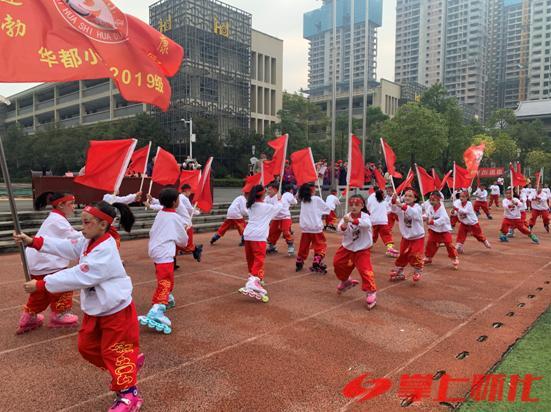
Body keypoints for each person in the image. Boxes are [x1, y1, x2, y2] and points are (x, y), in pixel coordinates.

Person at [16, 201, 144, 411]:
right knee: (87, 348)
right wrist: (34, 242)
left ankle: (129, 394)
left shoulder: (106, 249)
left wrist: (42, 284)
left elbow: (80, 274)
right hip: (97, 308)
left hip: (116, 311)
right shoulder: (88, 240)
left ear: (103, 225)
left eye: (86, 223)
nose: (82, 227)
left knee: (114, 352)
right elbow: (67, 247)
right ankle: (127, 366)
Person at [16, 192, 83, 334]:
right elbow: (76, 237)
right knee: (63, 284)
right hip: (47, 261)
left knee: (39, 291)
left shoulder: (56, 218)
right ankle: (60, 314)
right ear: (60, 204)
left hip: (38, 261)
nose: (73, 207)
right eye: (71, 204)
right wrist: (96, 233)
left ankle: (29, 317)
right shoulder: (58, 220)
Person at [139, 188, 188, 335]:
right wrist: (184, 229)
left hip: (155, 250)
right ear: (175, 202)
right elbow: (183, 241)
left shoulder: (161, 213)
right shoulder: (175, 218)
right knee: (165, 281)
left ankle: (167, 297)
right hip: (164, 252)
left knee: (164, 277)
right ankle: (157, 309)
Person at [239, 185, 282, 303]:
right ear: (262, 195)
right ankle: (253, 281)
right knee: (259, 259)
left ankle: (253, 277)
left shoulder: (251, 205)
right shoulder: (267, 207)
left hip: (248, 235)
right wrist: (278, 199)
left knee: (251, 258)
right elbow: (279, 208)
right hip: (259, 236)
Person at [333, 195, 377, 309]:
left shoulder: (366, 216)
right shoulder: (346, 217)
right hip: (348, 248)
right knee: (338, 263)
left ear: (362, 206)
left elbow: (366, 224)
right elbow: (339, 231)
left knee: (365, 270)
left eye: (356, 204)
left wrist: (353, 220)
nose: (353, 207)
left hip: (362, 249)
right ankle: (345, 280)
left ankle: (371, 291)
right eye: (351, 204)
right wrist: (344, 225)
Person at [389, 188, 425, 282]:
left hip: (417, 237)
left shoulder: (418, 207)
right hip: (406, 237)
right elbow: (393, 209)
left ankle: (418, 270)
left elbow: (415, 214)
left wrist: (401, 205)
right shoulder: (402, 206)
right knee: (403, 254)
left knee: (414, 254)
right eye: (405, 195)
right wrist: (393, 201)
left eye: (410, 196)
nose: (407, 197)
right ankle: (399, 270)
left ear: (415, 199)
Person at [296, 183, 331, 273]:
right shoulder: (316, 199)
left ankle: (299, 260)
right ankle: (317, 259)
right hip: (315, 228)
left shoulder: (303, 200)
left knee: (304, 246)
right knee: (321, 245)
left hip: (305, 228)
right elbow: (327, 210)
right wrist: (331, 204)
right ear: (312, 190)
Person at [424, 191, 459, 270]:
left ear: (438, 200)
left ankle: (454, 258)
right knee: (430, 243)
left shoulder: (442, 208)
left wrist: (433, 222)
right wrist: (424, 217)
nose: (431, 202)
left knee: (449, 244)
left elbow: (443, 219)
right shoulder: (430, 207)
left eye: (433, 200)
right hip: (434, 230)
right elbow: (427, 215)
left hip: (444, 231)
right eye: (430, 200)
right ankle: (428, 257)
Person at [367, 188, 399, 258]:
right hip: (382, 221)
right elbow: (390, 209)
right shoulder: (384, 203)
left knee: (375, 234)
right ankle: (390, 248)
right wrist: (394, 200)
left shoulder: (370, 199)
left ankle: (368, 246)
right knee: (386, 235)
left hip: (373, 221)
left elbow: (368, 208)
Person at [267, 184, 297, 256]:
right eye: (268, 189)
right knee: (272, 232)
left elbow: (295, 202)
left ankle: (290, 246)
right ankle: (272, 246)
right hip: (276, 217)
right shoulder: (268, 198)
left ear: (275, 190)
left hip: (285, 216)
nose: (268, 191)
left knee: (285, 231)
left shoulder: (282, 196)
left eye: (269, 189)